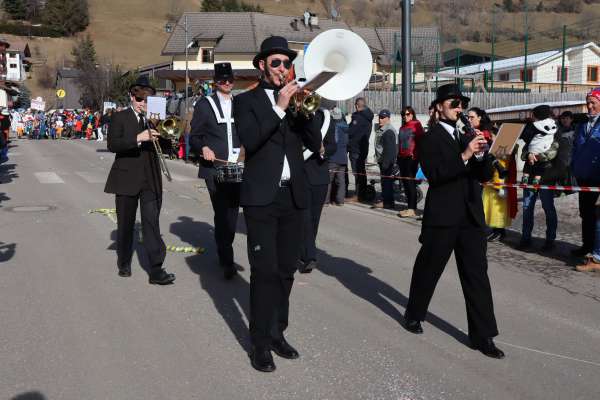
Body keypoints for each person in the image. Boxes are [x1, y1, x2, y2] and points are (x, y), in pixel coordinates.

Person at [234, 36, 321, 372]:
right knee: (264, 272)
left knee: (286, 271)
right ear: (262, 66)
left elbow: (315, 143)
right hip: (261, 198)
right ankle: (259, 345)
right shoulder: (247, 102)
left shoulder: (297, 102)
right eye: (276, 63)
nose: (283, 69)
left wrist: (306, 109)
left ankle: (276, 333)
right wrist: (279, 107)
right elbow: (252, 141)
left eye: (287, 63)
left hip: (293, 195)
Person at [403, 83, 504, 359]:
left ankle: (482, 335)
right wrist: (466, 154)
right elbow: (436, 175)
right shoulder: (429, 137)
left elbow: (481, 175)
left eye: (461, 105)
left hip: (470, 215)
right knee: (429, 268)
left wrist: (482, 154)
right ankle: (414, 313)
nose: (459, 109)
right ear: (438, 107)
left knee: (476, 275)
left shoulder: (466, 135)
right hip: (443, 215)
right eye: (453, 103)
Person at [104, 75, 175, 285]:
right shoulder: (120, 117)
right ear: (131, 97)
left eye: (146, 100)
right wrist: (139, 138)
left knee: (152, 224)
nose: (142, 103)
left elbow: (168, 149)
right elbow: (113, 145)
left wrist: (166, 134)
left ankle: (156, 269)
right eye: (139, 99)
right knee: (125, 225)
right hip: (126, 178)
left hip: (151, 179)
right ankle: (124, 262)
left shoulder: (156, 119)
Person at [189, 62, 241, 280]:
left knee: (233, 214)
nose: (226, 83)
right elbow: (195, 136)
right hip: (215, 169)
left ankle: (225, 246)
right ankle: (226, 259)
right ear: (215, 82)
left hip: (237, 166)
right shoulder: (205, 104)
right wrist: (204, 148)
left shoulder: (240, 103)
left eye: (229, 79)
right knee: (222, 213)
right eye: (222, 80)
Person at [469, 107, 517, 242]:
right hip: (486, 175)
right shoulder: (474, 132)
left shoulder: (488, 132)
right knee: (488, 204)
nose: (469, 120)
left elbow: (503, 155)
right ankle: (492, 229)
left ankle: (499, 231)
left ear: (480, 118)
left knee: (497, 206)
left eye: (472, 117)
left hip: (496, 175)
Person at [299, 105, 337, 274]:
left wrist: (323, 150)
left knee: (314, 219)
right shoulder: (296, 115)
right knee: (304, 217)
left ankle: (305, 250)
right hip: (300, 174)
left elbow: (333, 146)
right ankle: (310, 256)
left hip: (320, 176)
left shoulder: (325, 118)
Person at [518, 105, 561, 251]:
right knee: (527, 207)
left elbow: (553, 151)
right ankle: (525, 238)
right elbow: (525, 149)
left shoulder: (555, 130)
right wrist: (529, 154)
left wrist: (535, 156)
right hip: (529, 174)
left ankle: (550, 240)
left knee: (548, 208)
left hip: (546, 175)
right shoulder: (532, 129)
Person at [571, 88, 600, 258]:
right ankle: (586, 246)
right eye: (588, 103)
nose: (589, 106)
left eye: (593, 103)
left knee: (597, 216)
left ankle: (596, 252)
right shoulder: (582, 125)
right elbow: (576, 148)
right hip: (583, 176)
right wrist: (574, 166)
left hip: (598, 178)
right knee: (585, 214)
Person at [397, 106, 424, 217]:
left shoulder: (416, 125)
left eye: (407, 114)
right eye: (403, 114)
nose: (405, 116)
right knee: (405, 183)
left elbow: (421, 142)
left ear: (412, 114)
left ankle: (412, 208)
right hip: (402, 158)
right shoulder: (402, 127)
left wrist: (416, 156)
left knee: (410, 183)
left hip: (411, 158)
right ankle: (409, 207)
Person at [520, 105, 558, 185]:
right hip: (545, 151)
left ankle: (525, 179)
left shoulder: (534, 125)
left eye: (533, 114)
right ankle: (536, 182)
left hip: (533, 150)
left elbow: (526, 137)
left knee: (528, 166)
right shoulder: (553, 125)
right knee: (540, 169)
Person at [346, 97, 374, 202]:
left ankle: (358, 195)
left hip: (356, 148)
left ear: (357, 106)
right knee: (361, 172)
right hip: (362, 148)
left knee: (358, 173)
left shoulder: (358, 118)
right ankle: (361, 194)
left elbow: (350, 131)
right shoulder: (368, 117)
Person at [373, 109, 398, 210]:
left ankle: (387, 203)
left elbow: (390, 150)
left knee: (386, 183)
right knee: (385, 182)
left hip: (386, 162)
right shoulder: (382, 129)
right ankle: (387, 201)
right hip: (383, 160)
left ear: (388, 118)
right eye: (379, 117)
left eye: (383, 117)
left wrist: (386, 163)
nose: (380, 119)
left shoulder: (388, 131)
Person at [327, 107, 348, 206]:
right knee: (341, 181)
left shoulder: (333, 127)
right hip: (343, 157)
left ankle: (325, 201)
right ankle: (340, 201)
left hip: (333, 158)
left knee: (328, 180)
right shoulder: (346, 127)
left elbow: (332, 142)